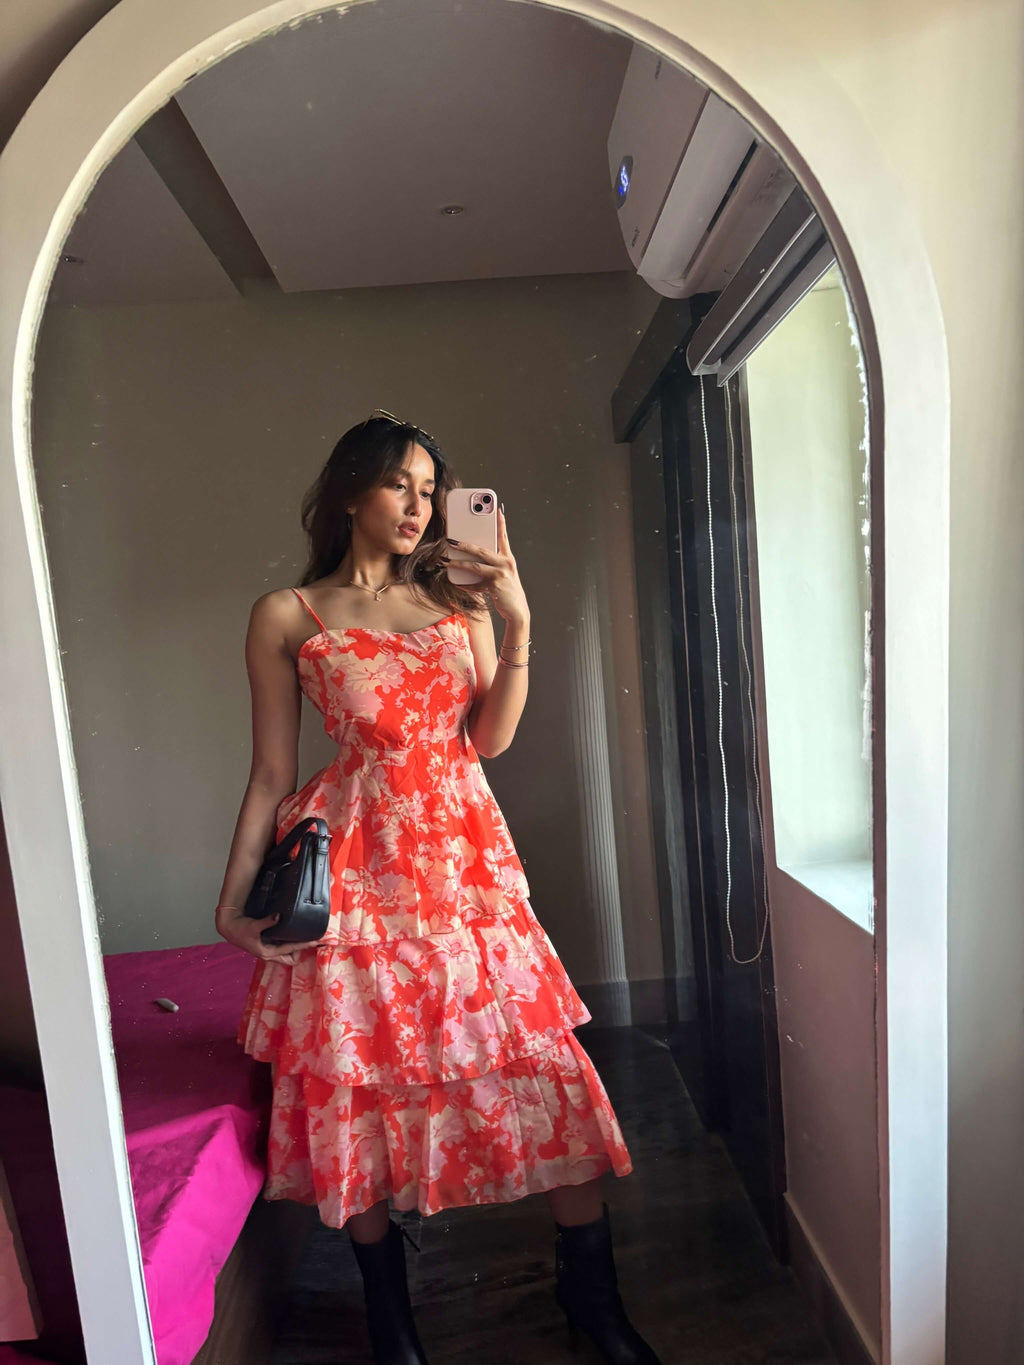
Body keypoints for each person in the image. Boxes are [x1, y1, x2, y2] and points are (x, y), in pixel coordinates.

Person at [214, 412, 662, 1365]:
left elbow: (489, 738)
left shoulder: (459, 602)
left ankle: (594, 1302)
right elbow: (271, 773)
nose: (418, 506)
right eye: (398, 485)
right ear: (349, 492)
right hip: (358, 873)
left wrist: (518, 618)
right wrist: (233, 897)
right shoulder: (288, 614)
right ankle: (393, 1322)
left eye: (430, 489)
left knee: (540, 1067)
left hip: (466, 868)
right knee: (359, 1081)